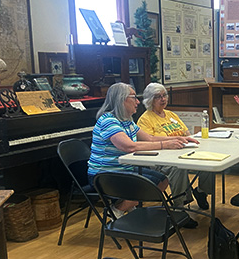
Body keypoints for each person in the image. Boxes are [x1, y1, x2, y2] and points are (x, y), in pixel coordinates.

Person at [87, 82, 199, 219]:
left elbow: (150, 138)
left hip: (124, 168)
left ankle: (127, 204)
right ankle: (116, 210)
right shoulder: (108, 121)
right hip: (105, 174)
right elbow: (129, 146)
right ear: (121, 99)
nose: (138, 102)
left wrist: (182, 139)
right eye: (134, 97)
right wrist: (166, 144)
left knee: (162, 180)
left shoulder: (126, 120)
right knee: (148, 188)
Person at [137, 82, 212, 209]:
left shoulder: (171, 115)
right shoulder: (145, 119)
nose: (163, 99)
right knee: (178, 168)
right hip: (161, 157)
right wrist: (174, 139)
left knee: (209, 160)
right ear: (150, 100)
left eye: (164, 95)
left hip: (182, 151)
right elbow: (149, 140)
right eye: (158, 97)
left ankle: (201, 192)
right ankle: (180, 205)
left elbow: (187, 133)